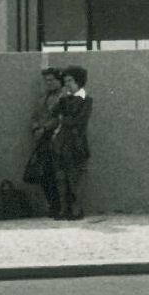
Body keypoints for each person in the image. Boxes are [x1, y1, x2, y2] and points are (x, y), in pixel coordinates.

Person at [53, 65, 93, 220]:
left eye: (70, 80)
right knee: (61, 176)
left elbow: (80, 121)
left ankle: (76, 209)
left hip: (76, 142)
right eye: (66, 81)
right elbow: (55, 114)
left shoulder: (86, 100)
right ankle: (64, 208)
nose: (67, 84)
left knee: (75, 177)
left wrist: (64, 119)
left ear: (79, 81)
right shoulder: (63, 99)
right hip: (61, 142)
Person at [28, 67, 65, 218]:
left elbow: (59, 117)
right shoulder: (42, 98)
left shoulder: (64, 96)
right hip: (42, 140)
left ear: (59, 80)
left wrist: (45, 128)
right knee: (44, 174)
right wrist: (36, 128)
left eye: (52, 80)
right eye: (46, 80)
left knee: (59, 174)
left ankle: (61, 207)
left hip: (57, 138)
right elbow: (35, 116)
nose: (49, 83)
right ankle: (53, 205)